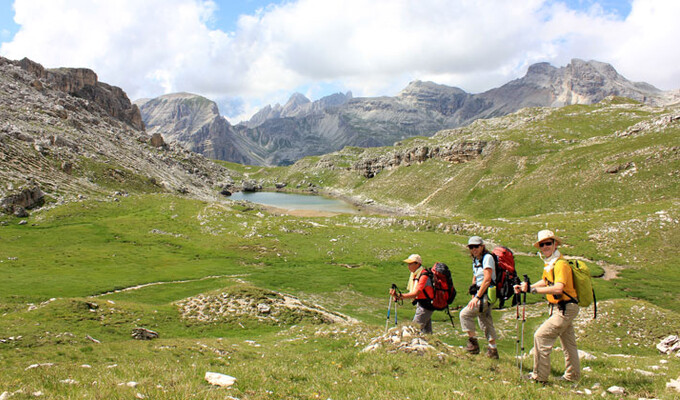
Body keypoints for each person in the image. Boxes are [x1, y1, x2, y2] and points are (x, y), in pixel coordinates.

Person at [514, 229, 580, 383]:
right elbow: (546, 281)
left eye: (548, 243)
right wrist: (527, 287)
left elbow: (558, 288)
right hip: (563, 307)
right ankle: (572, 377)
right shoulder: (550, 263)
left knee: (541, 336)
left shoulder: (560, 264)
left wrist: (532, 289)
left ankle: (539, 377)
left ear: (555, 244)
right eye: (542, 244)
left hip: (564, 308)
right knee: (568, 343)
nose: (545, 247)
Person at [459, 236, 499, 359]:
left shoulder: (487, 258)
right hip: (482, 294)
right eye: (471, 247)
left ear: (482, 246)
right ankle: (493, 351)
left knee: (464, 314)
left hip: (485, 294)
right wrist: (473, 291)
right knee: (485, 321)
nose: (474, 249)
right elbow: (476, 277)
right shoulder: (477, 260)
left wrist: (477, 297)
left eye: (476, 246)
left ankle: (473, 344)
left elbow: (487, 279)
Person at [390, 254, 434, 334]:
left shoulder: (423, 276)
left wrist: (399, 297)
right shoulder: (415, 274)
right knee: (427, 332)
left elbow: (415, 293)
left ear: (417, 264)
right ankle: (430, 343)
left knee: (414, 329)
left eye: (410, 264)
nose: (408, 266)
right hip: (423, 305)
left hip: (426, 306)